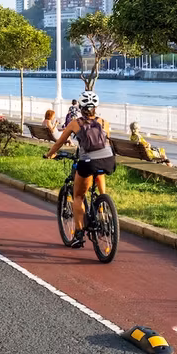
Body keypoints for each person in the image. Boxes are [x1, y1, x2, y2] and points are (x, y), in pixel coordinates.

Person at [45, 91, 114, 248]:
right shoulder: (104, 122)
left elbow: (59, 142)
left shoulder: (76, 123)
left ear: (81, 108)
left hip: (88, 162)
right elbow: (104, 142)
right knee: (99, 171)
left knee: (78, 196)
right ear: (96, 108)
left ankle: (79, 234)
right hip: (108, 160)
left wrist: (50, 154)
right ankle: (103, 205)